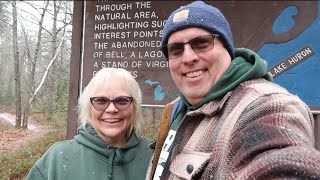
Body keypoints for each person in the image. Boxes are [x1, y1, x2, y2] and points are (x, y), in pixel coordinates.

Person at [146, 1, 320, 179]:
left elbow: (280, 162)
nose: (188, 57)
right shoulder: (177, 109)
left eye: (201, 43)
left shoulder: (264, 105)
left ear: (227, 49)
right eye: (176, 49)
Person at [26, 68, 153, 180]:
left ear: (135, 107)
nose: (111, 109)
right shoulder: (57, 159)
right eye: (101, 101)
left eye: (122, 101)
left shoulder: (154, 156)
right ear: (88, 107)